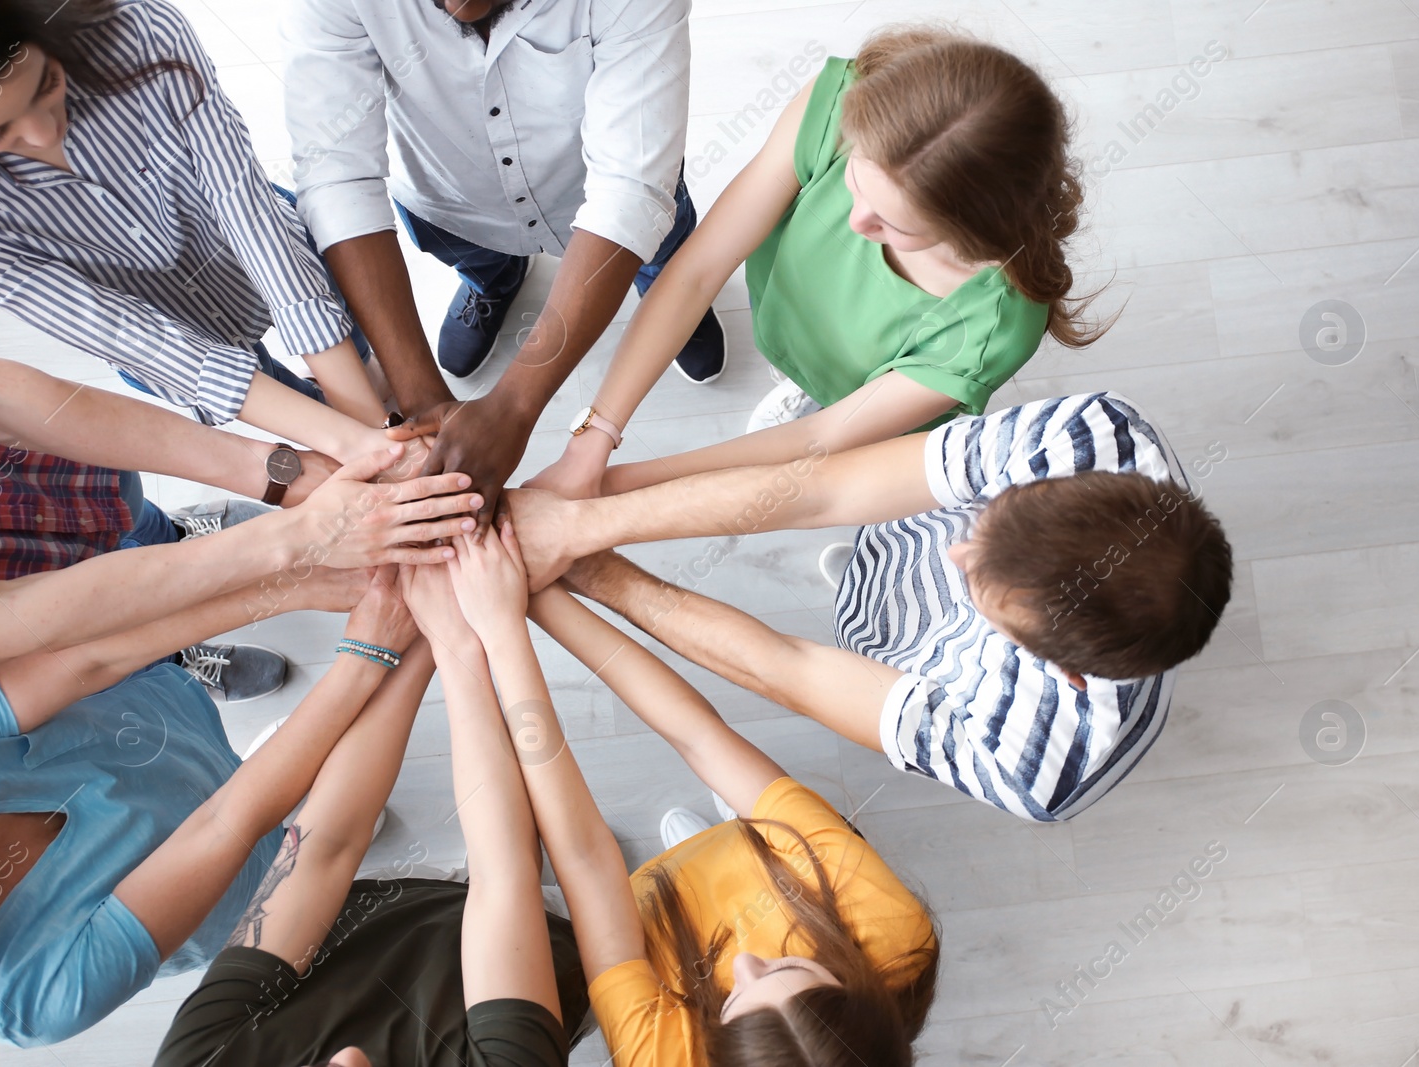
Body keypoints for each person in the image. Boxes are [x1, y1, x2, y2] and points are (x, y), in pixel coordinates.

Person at [509, 393, 1233, 819]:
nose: (955, 556)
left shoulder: (1029, 761)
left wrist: (597, 572)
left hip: (929, 672)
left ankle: (884, 616)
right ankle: (875, 588)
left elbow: (788, 668)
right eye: (992, 519)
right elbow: (825, 489)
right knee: (899, 547)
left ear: (1063, 671)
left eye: (982, 589)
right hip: (901, 556)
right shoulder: (1086, 438)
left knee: (872, 630)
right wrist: (582, 525)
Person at [527, 26, 1101, 501]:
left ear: (974, 231)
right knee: (802, 379)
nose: (855, 225)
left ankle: (813, 386)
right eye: (854, 183)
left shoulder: (992, 328)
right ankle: (800, 376)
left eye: (893, 226)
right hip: (794, 324)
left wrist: (615, 485)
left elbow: (821, 438)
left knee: (829, 421)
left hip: (860, 405)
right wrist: (594, 434)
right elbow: (701, 265)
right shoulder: (842, 104)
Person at [445, 522, 939, 1066]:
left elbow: (586, 859)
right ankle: (746, 840)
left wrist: (500, 632)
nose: (746, 962)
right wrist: (545, 595)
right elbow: (700, 736)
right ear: (861, 994)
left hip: (640, 921)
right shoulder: (890, 933)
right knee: (770, 810)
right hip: (792, 874)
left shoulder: (663, 1057)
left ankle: (728, 856)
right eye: (787, 968)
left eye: (734, 1001)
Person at [0, 568, 424, 1047]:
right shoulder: (29, 999)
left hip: (164, 736)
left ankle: (289, 768)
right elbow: (225, 825)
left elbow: (91, 659)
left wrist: (296, 584)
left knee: (253, 781)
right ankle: (304, 788)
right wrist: (370, 655)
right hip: (233, 875)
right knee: (295, 852)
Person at [283, 0, 726, 517]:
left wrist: (515, 404)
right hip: (451, 200)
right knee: (479, 261)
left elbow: (630, 190)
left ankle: (671, 304)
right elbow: (337, 176)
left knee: (663, 253)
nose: (456, 6)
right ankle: (494, 284)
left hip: (597, 193)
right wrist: (420, 397)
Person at [153, 560, 591, 1067]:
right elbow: (505, 876)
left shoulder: (202, 1059)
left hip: (389, 915)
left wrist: (423, 630)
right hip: (551, 959)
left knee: (480, 876)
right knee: (553, 906)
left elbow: (328, 843)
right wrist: (459, 639)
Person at [0, 0, 401, 462]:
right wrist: (352, 446)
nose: (41, 134)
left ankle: (367, 379)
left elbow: (245, 209)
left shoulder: (138, 33)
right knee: (290, 402)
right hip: (159, 329)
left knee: (337, 326)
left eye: (47, 85)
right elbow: (114, 327)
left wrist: (370, 424)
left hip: (248, 248)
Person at [0, 440, 478, 692]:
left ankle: (171, 533)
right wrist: (294, 559)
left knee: (106, 499)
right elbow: (47, 627)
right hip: (7, 628)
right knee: (74, 650)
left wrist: (283, 476)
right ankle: (171, 652)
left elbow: (6, 400)